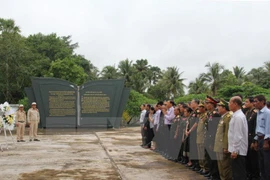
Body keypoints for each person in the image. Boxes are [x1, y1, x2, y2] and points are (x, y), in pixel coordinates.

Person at [228, 96, 248, 180]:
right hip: (235, 149)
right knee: (236, 173)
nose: (228, 104)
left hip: (238, 151)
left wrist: (235, 150)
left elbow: (238, 135)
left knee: (239, 174)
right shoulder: (235, 115)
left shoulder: (238, 117)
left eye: (230, 102)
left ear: (235, 104)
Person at [251, 95, 270, 180]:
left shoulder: (267, 113)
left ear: (262, 102)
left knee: (267, 164)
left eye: (256, 101)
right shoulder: (258, 112)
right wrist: (256, 141)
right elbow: (258, 128)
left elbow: (268, 128)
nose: (254, 103)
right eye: (254, 101)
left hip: (265, 140)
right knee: (261, 163)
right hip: (259, 139)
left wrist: (266, 142)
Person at [214, 99, 232, 180]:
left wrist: (226, 146)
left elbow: (227, 133)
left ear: (224, 108)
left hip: (223, 146)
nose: (217, 108)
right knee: (220, 166)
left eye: (219, 106)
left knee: (225, 166)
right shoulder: (223, 117)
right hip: (218, 145)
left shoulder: (228, 117)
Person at [204, 95, 220, 180]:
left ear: (212, 104)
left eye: (208, 103)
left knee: (213, 158)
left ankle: (215, 175)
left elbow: (214, 130)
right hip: (208, 137)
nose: (206, 105)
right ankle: (211, 173)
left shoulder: (215, 114)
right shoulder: (209, 114)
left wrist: (211, 141)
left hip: (212, 138)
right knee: (208, 157)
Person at [244, 97, 259, 179]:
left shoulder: (255, 113)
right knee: (248, 159)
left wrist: (254, 141)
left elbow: (255, 128)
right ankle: (249, 174)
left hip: (252, 139)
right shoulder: (247, 113)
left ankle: (255, 176)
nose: (245, 103)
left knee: (253, 160)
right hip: (246, 139)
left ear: (252, 103)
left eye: (247, 102)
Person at [196, 101, 208, 175]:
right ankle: (201, 167)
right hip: (198, 136)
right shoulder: (200, 116)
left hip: (203, 136)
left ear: (204, 108)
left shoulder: (206, 115)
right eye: (199, 107)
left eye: (201, 107)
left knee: (203, 153)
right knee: (199, 153)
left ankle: (205, 168)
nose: (199, 108)